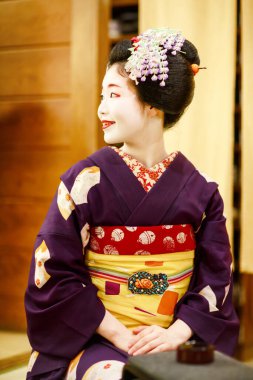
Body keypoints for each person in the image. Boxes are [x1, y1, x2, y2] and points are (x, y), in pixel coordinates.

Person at [25, 28, 239, 380]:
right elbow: (54, 272)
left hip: (174, 338)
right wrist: (123, 337)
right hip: (98, 336)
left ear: (153, 104)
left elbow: (215, 279)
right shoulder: (84, 182)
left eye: (114, 95)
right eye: (101, 95)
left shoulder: (202, 192)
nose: (102, 108)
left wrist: (175, 334)